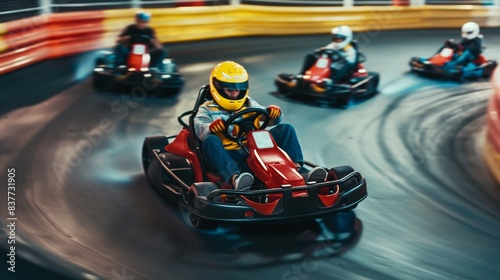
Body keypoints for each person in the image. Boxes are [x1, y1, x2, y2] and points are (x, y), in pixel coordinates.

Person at [194, 61, 327, 191]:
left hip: (252, 149)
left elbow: (266, 117)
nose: (235, 94)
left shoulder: (249, 103)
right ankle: (236, 179)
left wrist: (273, 114)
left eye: (239, 89)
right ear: (217, 87)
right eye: (230, 90)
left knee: (286, 128)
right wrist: (210, 128)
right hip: (228, 155)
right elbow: (199, 127)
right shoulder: (207, 108)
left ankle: (299, 170)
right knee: (210, 140)